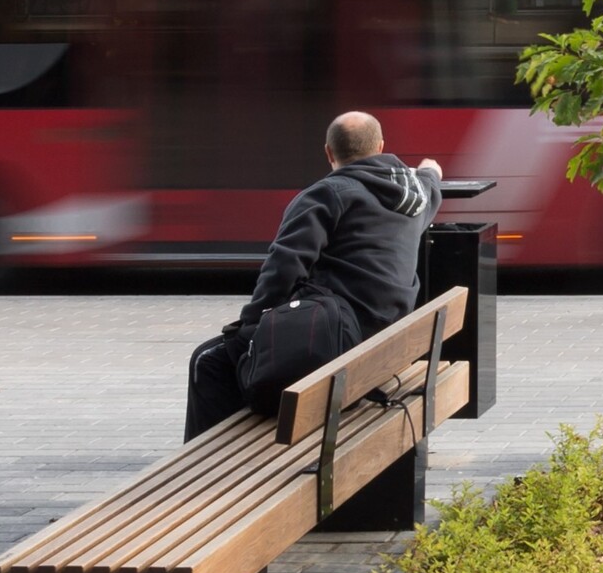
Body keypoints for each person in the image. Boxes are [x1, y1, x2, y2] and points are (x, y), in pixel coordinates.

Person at [184, 112, 444, 440]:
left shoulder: (326, 195)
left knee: (208, 361)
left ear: (328, 153)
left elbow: (284, 266)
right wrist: (429, 171)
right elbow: (431, 182)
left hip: (336, 343)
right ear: (380, 146)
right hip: (383, 342)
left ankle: (208, 469)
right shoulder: (415, 196)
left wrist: (250, 323)